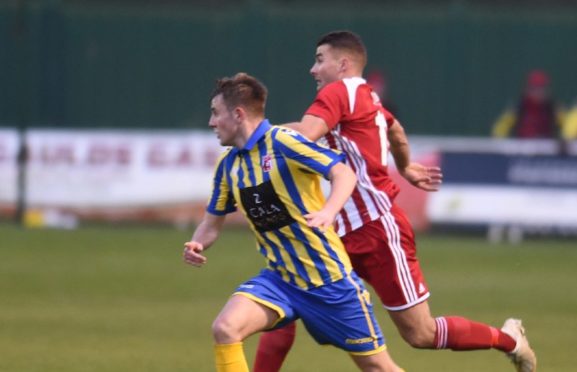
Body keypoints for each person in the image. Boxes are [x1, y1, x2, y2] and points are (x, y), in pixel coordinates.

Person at [253, 31, 537, 372]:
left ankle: (510, 340)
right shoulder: (367, 97)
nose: (313, 70)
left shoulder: (338, 91)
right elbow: (396, 130)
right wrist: (406, 166)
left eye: (319, 60)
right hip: (337, 232)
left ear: (342, 64)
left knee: (421, 333)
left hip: (376, 230)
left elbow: (303, 136)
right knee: (288, 296)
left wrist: (253, 136)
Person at [183, 72, 403, 372]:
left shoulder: (284, 142)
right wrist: (198, 242)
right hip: (281, 279)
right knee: (225, 328)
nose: (211, 123)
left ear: (238, 114)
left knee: (379, 367)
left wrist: (329, 211)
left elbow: (344, 173)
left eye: (215, 113)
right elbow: (211, 223)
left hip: (329, 281)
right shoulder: (228, 165)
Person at [492, 69, 565, 139]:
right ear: (528, 89)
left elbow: (565, 125)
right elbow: (502, 125)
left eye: (541, 89)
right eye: (535, 88)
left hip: (546, 147)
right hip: (523, 147)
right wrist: (498, 138)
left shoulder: (552, 106)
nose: (538, 92)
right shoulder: (520, 105)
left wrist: (564, 139)